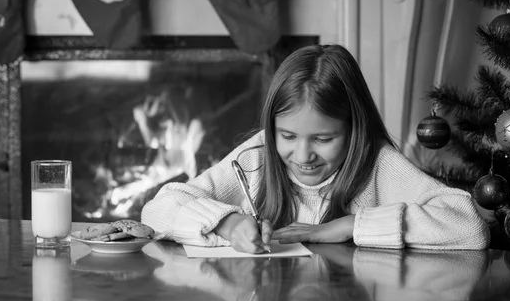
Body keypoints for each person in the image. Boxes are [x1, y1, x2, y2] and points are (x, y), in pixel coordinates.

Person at [141, 44, 490, 254]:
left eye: (323, 139)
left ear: (354, 129)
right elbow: (159, 207)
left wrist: (350, 225)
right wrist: (228, 225)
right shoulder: (257, 155)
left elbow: (468, 225)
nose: (302, 155)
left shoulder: (377, 162)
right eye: (288, 136)